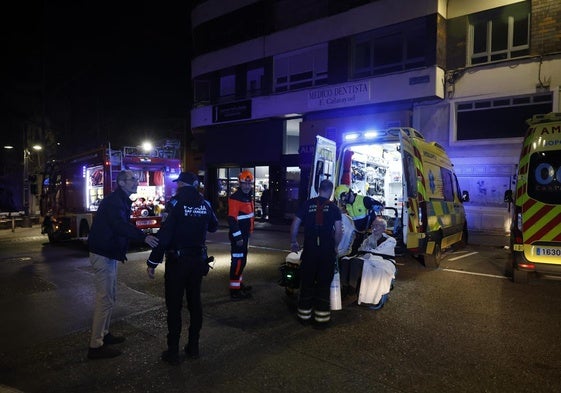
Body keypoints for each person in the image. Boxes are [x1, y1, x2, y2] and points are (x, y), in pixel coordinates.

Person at [146, 171, 218, 365]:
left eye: (179, 183)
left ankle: (173, 352)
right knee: (195, 303)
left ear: (182, 185)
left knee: (174, 306)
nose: (177, 186)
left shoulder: (175, 203)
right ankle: (193, 347)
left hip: (178, 262)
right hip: (197, 261)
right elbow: (214, 226)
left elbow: (165, 234)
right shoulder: (205, 203)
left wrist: (153, 261)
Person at [87, 170, 159, 360]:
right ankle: (95, 346)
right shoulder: (114, 202)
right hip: (103, 253)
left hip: (108, 253)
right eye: (132, 179)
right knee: (105, 299)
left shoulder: (120, 200)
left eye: (136, 179)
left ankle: (104, 333)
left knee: (110, 297)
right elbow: (119, 226)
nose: (136, 182)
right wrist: (143, 237)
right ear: (121, 183)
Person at [289, 179, 342, 329]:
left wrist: (293, 242)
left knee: (307, 282)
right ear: (330, 191)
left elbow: (295, 224)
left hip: (310, 249)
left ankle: (303, 316)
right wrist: (336, 247)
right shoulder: (333, 208)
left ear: (318, 190)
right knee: (324, 283)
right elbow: (338, 231)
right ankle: (321, 319)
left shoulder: (306, 204)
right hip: (326, 251)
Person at [339, 216, 396, 309]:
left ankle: (351, 292)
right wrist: (367, 254)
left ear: (383, 228)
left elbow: (384, 253)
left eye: (377, 225)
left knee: (355, 262)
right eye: (373, 225)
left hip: (383, 262)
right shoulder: (368, 239)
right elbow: (361, 249)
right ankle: (344, 289)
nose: (374, 227)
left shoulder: (390, 240)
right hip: (366, 259)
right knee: (345, 260)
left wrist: (370, 255)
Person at [227, 170, 255, 300]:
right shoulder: (236, 197)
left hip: (244, 236)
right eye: (245, 183)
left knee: (241, 262)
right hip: (239, 238)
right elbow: (232, 219)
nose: (247, 186)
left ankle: (239, 284)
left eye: (249, 184)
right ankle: (234, 291)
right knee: (238, 262)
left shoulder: (247, 196)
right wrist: (238, 237)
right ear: (240, 183)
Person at [334, 184, 384, 255]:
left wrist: (376, 207)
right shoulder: (348, 206)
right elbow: (341, 211)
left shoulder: (364, 200)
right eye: (341, 200)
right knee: (355, 252)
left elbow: (381, 206)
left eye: (343, 198)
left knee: (370, 253)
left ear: (348, 193)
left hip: (370, 232)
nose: (343, 201)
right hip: (359, 233)